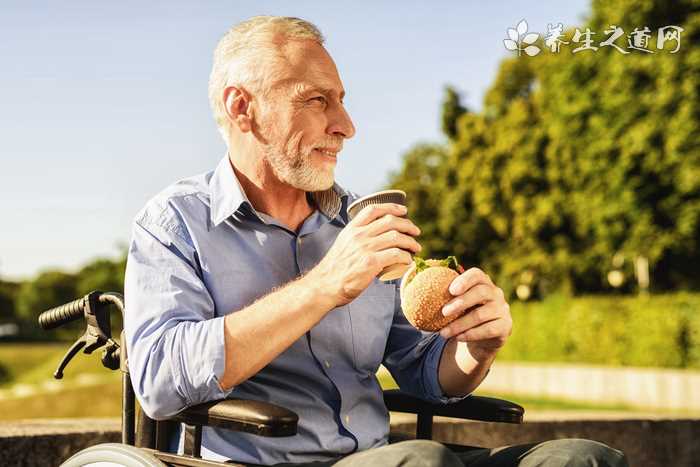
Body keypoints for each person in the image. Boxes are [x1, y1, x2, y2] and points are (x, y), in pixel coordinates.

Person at [124, 15, 628, 467]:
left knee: (582, 458)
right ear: (243, 108)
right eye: (317, 100)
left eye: (341, 100)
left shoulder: (360, 221)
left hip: (385, 458)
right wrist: (325, 284)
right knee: (422, 462)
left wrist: (478, 348)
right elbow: (160, 382)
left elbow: (424, 369)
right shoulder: (174, 223)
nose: (346, 126)